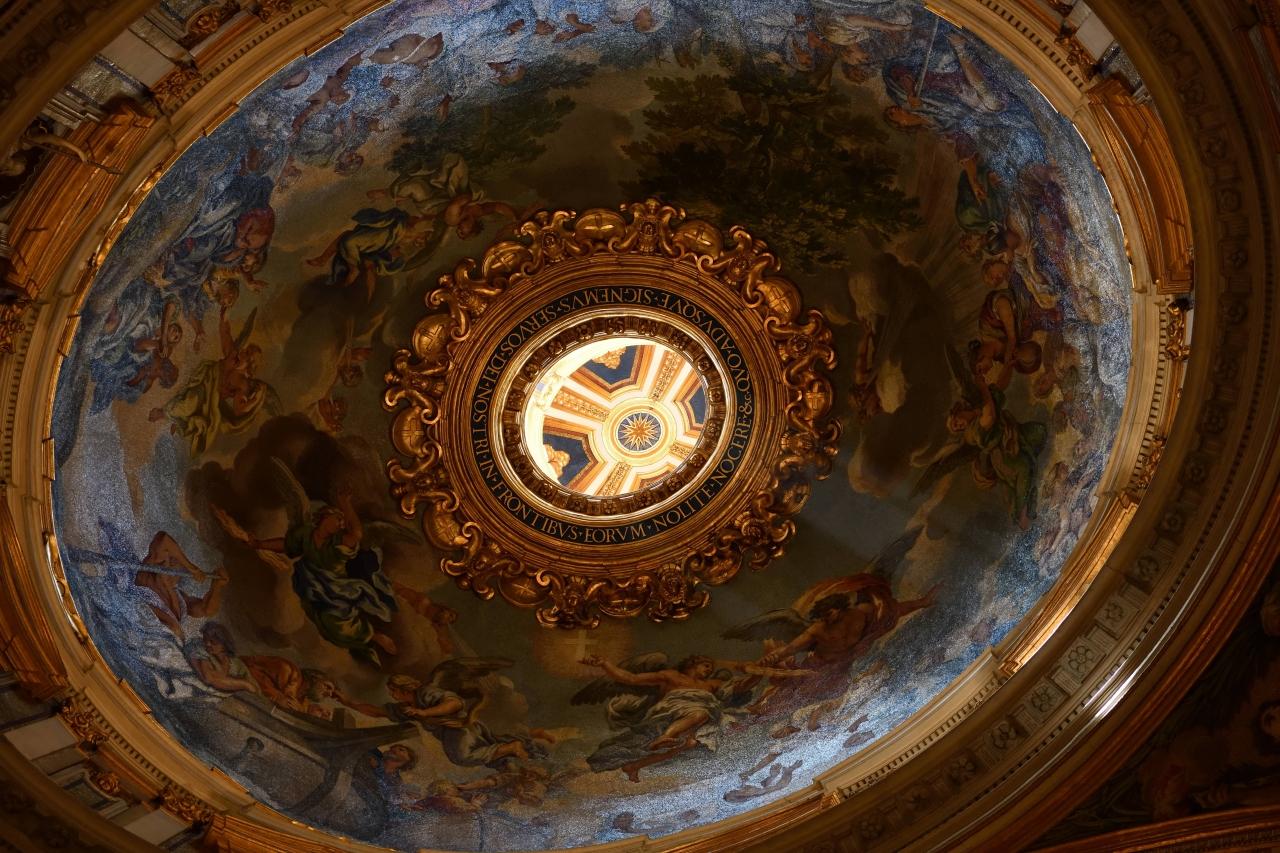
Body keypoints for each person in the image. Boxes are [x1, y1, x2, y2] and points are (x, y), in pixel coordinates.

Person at [575, 653, 761, 782]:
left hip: (699, 717)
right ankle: (665, 736)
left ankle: (635, 766)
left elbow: (742, 686)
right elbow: (631, 678)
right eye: (706, 666)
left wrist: (758, 671)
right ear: (693, 664)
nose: (709, 670)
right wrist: (605, 664)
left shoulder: (711, 684)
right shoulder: (671, 676)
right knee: (700, 713)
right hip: (673, 709)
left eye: (711, 668)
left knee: (689, 744)